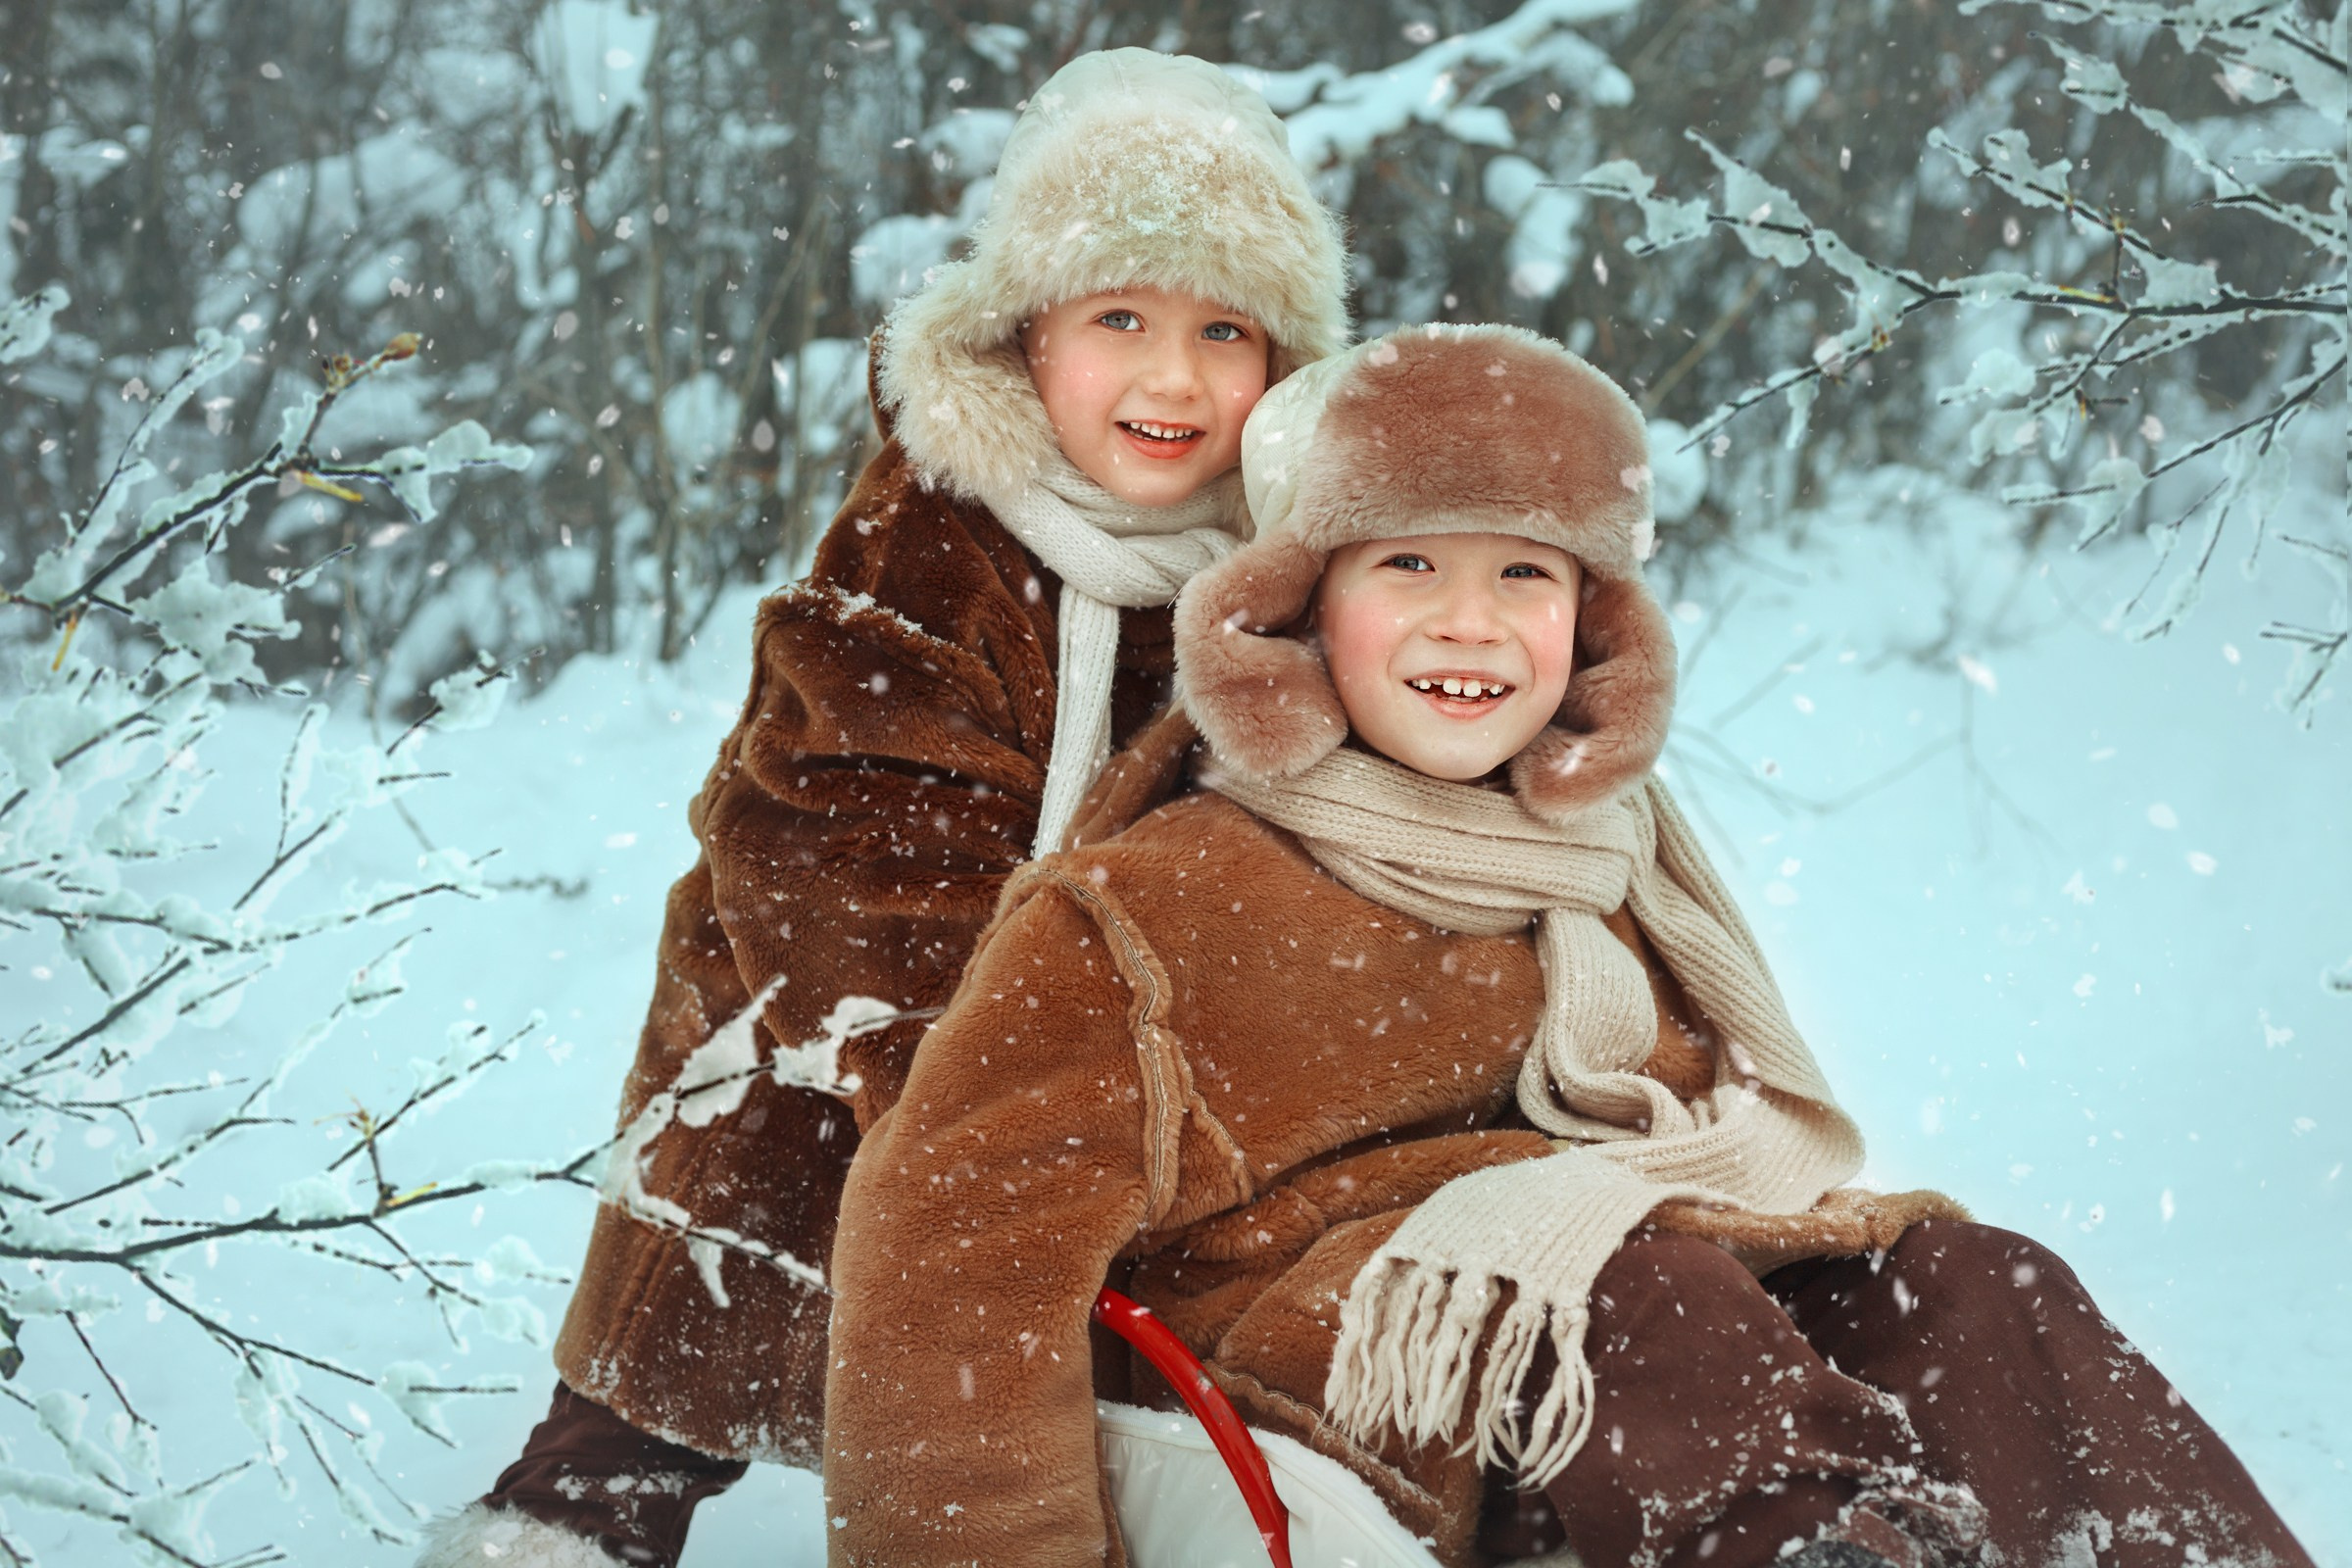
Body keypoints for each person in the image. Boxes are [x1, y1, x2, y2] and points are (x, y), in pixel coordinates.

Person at [820, 323, 2316, 1568]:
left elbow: (1681, 1158)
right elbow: (940, 1260)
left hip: (1636, 1352)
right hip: (1333, 1394)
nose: (1470, 624)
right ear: (1299, 604)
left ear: (1595, 628)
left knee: (1970, 1282)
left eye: (1525, 575)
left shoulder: (1614, 864)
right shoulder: (1152, 904)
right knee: (1639, 1293)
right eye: (1408, 566)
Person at [418, 47, 1348, 1568]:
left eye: (1224, 331)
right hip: (838, 1026)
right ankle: (577, 1517)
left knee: (1080, 1383)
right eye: (1121, 319)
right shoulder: (932, 536)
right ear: (1026, 333)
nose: (1174, 380)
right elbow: (844, 838)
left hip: (1128, 1057)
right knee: (722, 1294)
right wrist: (988, 1087)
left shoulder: (1281, 568)